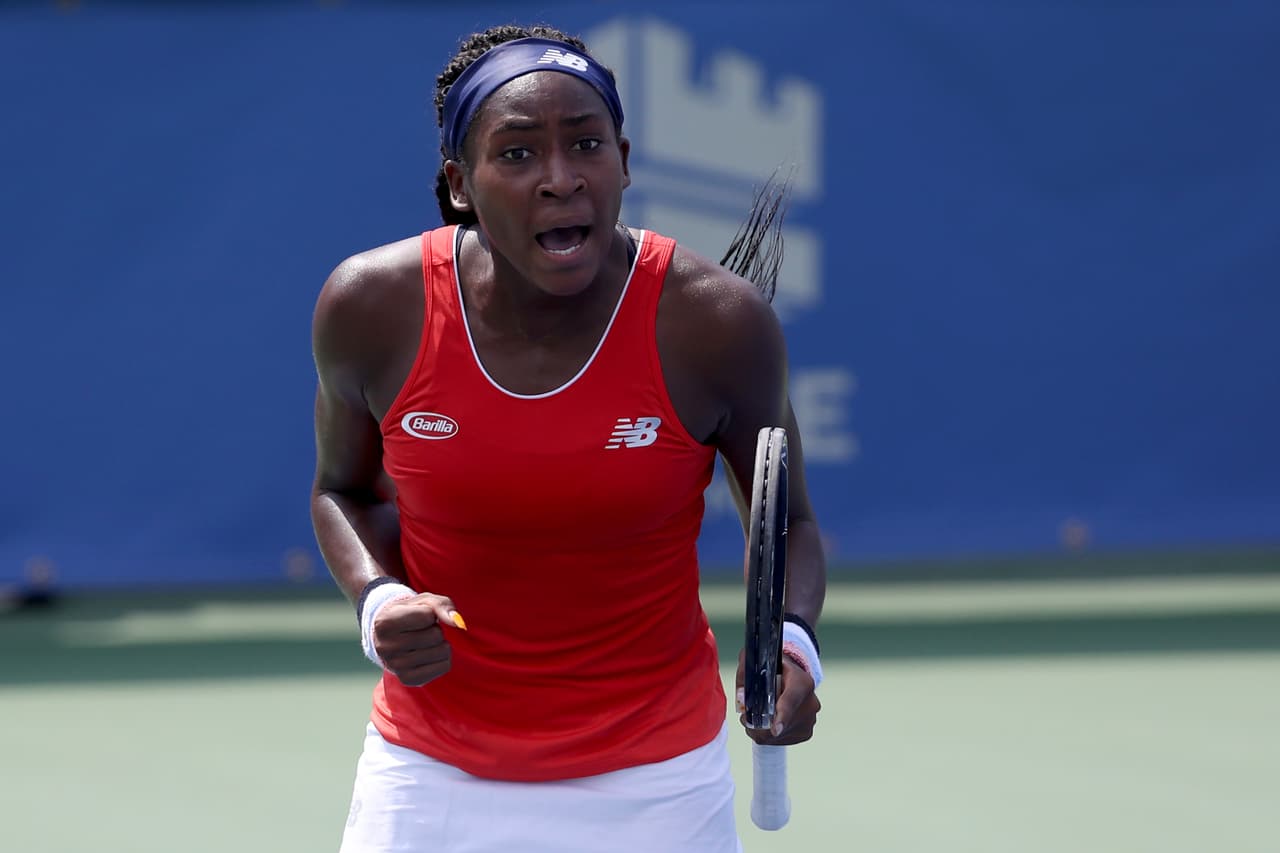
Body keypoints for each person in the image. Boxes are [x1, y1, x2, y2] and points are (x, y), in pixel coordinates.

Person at [310, 23, 827, 853]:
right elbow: (341, 491)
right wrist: (379, 601)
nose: (561, 180)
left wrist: (793, 643)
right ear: (458, 184)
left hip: (658, 781)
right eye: (516, 155)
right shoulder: (372, 306)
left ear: (623, 159)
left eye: (586, 144)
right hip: (429, 775)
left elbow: (790, 521)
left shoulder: (716, 322)